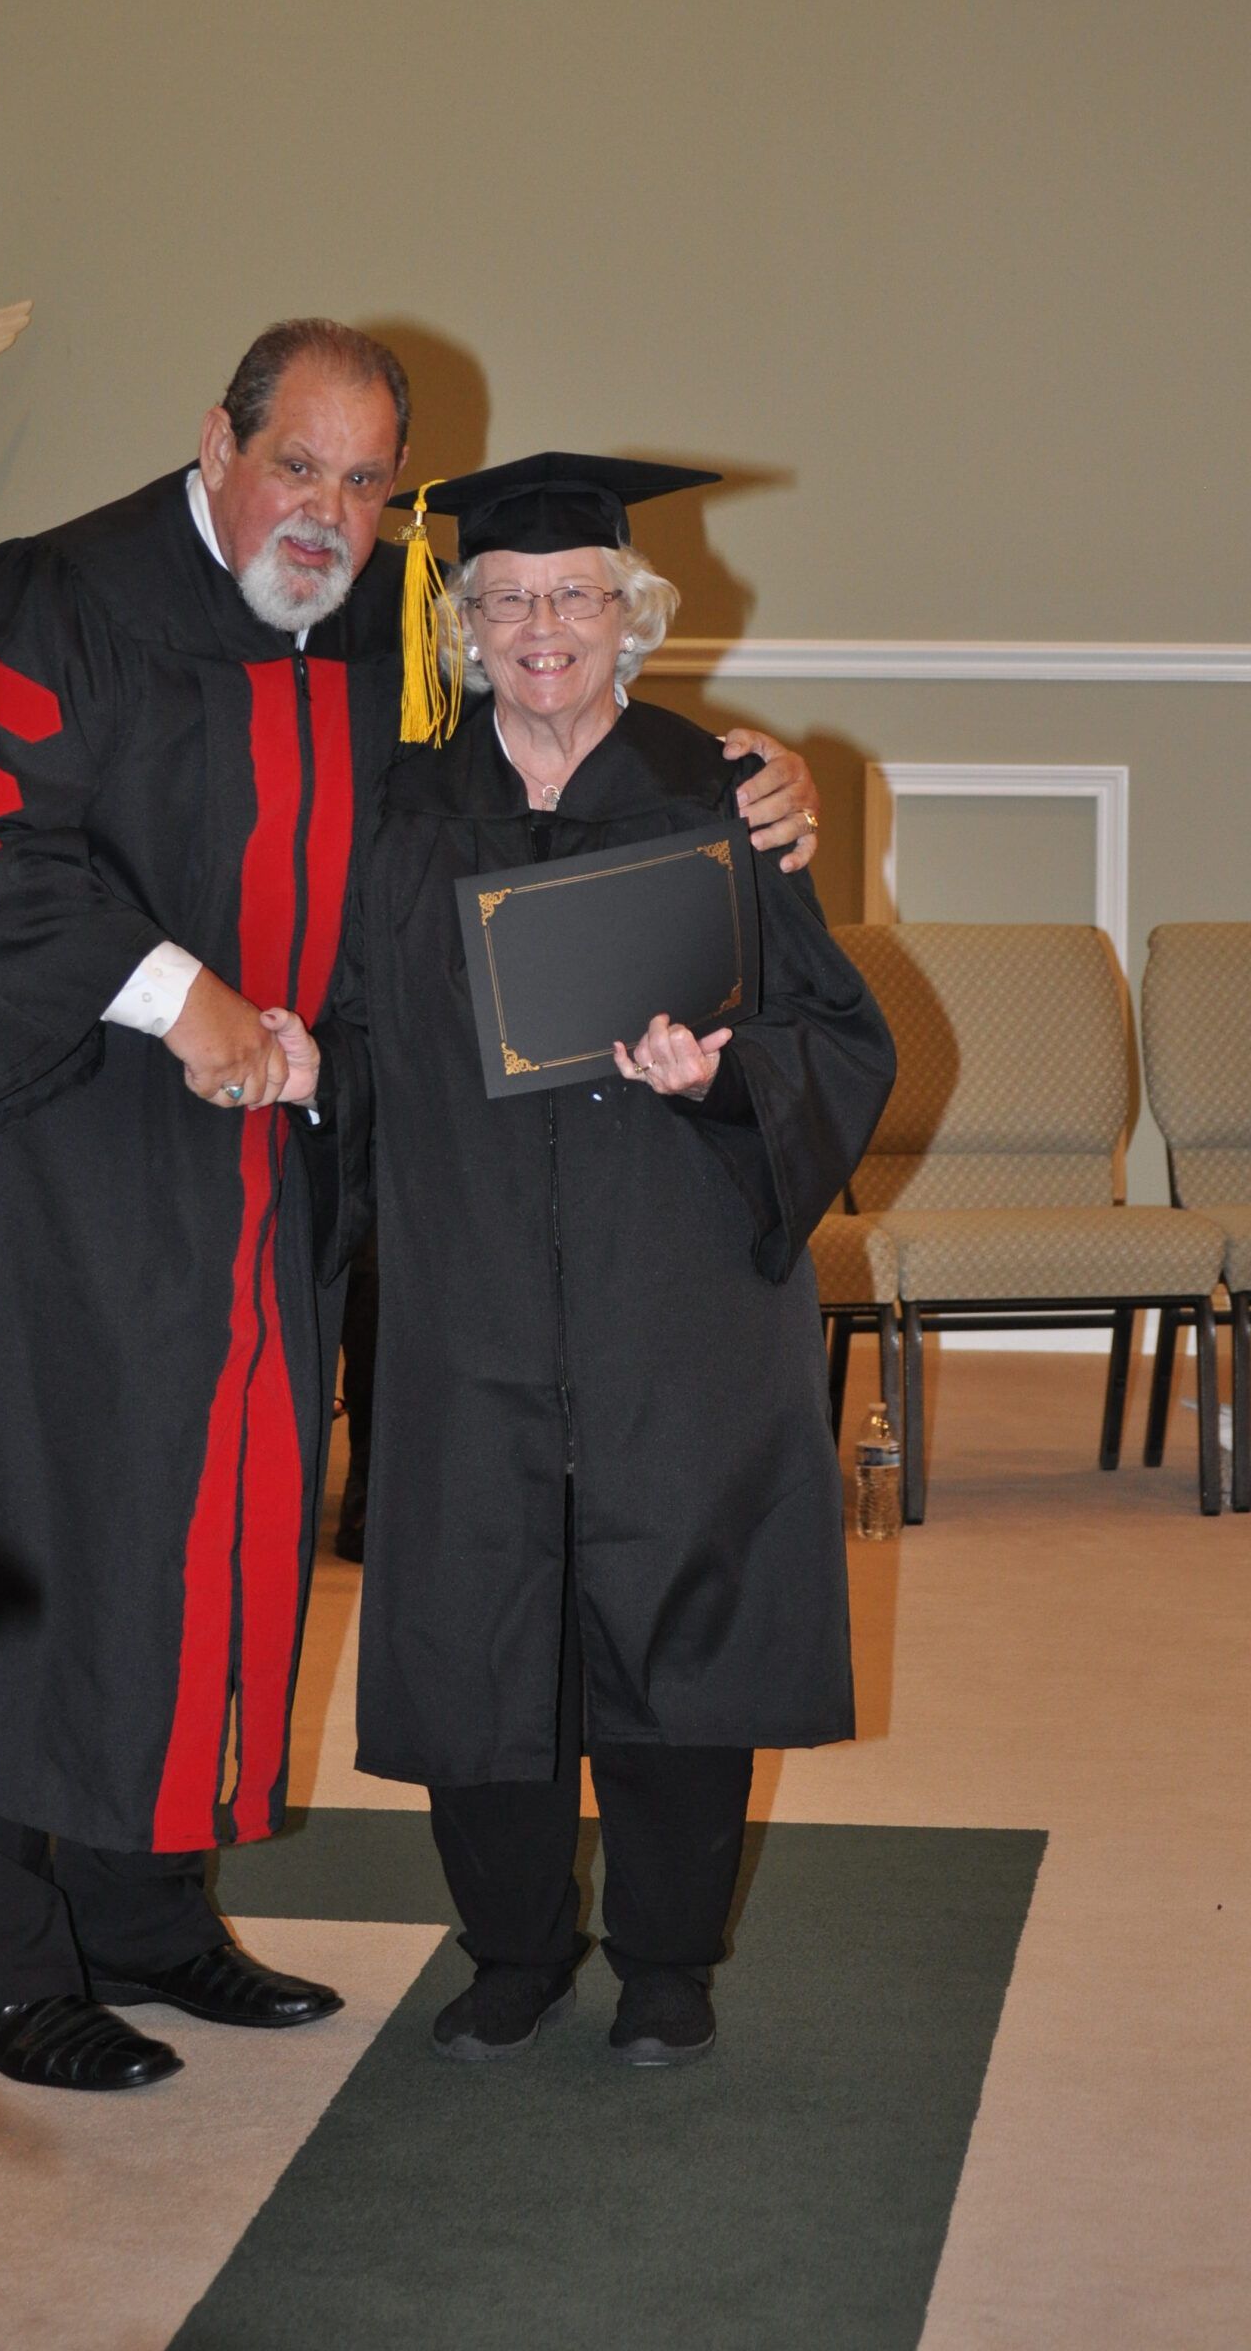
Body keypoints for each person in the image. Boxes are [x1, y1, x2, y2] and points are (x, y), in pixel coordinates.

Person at [0, 323, 825, 2095]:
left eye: (370, 484)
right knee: (29, 1534)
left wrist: (771, 789)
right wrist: (184, 999)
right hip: (36, 1168)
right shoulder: (46, 598)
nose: (333, 511)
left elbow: (514, 801)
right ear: (215, 438)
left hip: (256, 1153)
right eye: (302, 465)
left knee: (198, 1530)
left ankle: (147, 1918)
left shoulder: (370, 628)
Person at [272, 454, 895, 2067]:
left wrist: (730, 1079)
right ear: (463, 626)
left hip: (673, 1282)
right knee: (479, 1614)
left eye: (578, 597)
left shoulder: (726, 796)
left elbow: (840, 1031)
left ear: (636, 617)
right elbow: (349, 1028)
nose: (542, 626)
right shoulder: (401, 809)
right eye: (506, 600)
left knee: (675, 1609)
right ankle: (512, 1953)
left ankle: (670, 1963)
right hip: (467, 1284)